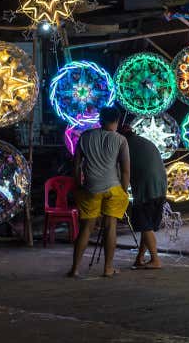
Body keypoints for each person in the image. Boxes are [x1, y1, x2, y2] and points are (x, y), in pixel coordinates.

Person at [68, 106, 130, 278]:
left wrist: (77, 185)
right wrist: (124, 192)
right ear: (116, 121)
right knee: (111, 227)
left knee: (86, 228)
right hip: (113, 188)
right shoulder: (121, 140)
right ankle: (108, 268)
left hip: (89, 188)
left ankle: (75, 269)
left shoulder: (85, 137)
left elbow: (76, 165)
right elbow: (125, 171)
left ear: (100, 119)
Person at [120, 121, 168, 270]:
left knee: (144, 224)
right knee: (145, 225)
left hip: (146, 190)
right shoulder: (144, 141)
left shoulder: (125, 145)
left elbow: (123, 170)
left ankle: (155, 259)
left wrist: (121, 190)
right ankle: (140, 258)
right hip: (160, 188)